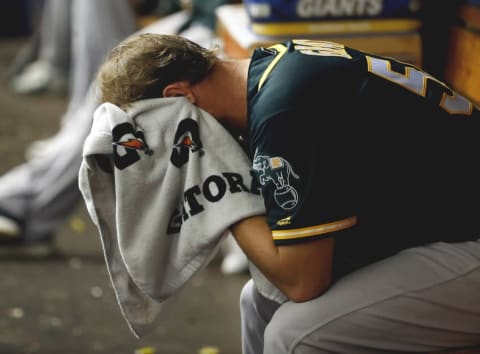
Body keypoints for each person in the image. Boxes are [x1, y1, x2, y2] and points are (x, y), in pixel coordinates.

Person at [96, 33, 480, 353]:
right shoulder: (273, 68)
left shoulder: (284, 111)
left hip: (470, 244)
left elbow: (303, 280)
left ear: (180, 98)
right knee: (258, 302)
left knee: (295, 335)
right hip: (446, 233)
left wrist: (223, 193)